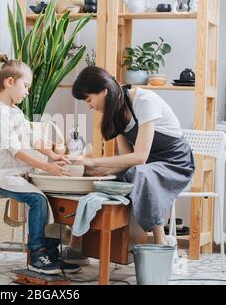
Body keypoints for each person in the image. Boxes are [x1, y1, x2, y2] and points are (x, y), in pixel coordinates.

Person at [63, 66, 195, 264]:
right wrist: (90, 169)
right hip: (145, 166)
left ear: (104, 91)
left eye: (89, 99)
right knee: (94, 176)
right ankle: (77, 246)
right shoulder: (117, 113)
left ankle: (160, 243)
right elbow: (126, 162)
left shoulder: (145, 101)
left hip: (176, 162)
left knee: (141, 172)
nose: (89, 106)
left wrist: (93, 160)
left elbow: (139, 157)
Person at [0, 54, 81, 274]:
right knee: (37, 200)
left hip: (16, 174)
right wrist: (46, 166)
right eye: (25, 85)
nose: (28, 91)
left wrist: (52, 155)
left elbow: (32, 139)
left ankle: (51, 254)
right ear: (10, 82)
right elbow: (16, 151)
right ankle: (36, 255)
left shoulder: (15, 112)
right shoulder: (0, 114)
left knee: (52, 196)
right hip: (1, 175)